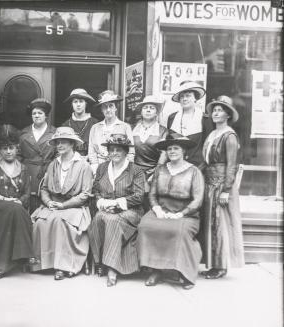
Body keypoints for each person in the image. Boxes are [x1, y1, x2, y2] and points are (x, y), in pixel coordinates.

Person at [137, 134, 205, 290]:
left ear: (184, 151)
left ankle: (184, 271)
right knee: (145, 227)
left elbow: (198, 200)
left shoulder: (194, 171)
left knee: (177, 231)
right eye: (169, 149)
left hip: (186, 213)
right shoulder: (160, 169)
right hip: (161, 209)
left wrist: (180, 214)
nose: (172, 151)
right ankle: (156, 270)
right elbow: (152, 194)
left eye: (176, 148)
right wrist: (157, 209)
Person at [31, 127, 93, 280]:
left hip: (74, 206)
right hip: (53, 204)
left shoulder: (83, 165)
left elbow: (85, 193)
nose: (59, 146)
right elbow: (44, 188)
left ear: (72, 144)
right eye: (57, 143)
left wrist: (64, 206)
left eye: (63, 142)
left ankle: (63, 266)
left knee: (60, 222)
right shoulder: (53, 164)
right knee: (39, 222)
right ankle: (42, 263)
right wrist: (48, 201)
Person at [88, 132, 145, 287]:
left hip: (131, 212)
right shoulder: (102, 168)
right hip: (106, 208)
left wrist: (118, 203)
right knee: (99, 218)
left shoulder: (136, 170)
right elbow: (96, 190)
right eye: (112, 149)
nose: (114, 153)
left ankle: (112, 268)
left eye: (118, 150)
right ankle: (100, 261)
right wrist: (102, 202)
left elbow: (139, 196)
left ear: (126, 152)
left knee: (112, 220)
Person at [0, 125, 37, 278]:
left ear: (17, 148)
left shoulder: (23, 168)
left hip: (15, 207)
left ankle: (10, 262)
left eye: (11, 148)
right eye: (5, 148)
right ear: (0, 150)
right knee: (14, 209)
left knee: (15, 209)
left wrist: (19, 201)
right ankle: (2, 263)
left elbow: (26, 192)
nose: (8, 151)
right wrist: (2, 198)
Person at [201, 96, 244, 279]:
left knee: (221, 225)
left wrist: (226, 189)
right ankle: (212, 263)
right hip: (209, 182)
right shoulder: (212, 134)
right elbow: (206, 161)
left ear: (227, 114)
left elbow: (232, 165)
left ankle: (222, 266)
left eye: (220, 110)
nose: (216, 113)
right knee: (211, 224)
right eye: (214, 110)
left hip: (221, 184)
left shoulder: (229, 135)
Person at [19, 98, 57, 212]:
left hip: (47, 171)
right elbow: (18, 155)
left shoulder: (55, 132)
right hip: (27, 171)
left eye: (40, 113)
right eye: (34, 113)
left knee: (44, 201)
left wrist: (51, 170)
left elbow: (58, 154)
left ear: (46, 116)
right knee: (27, 201)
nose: (36, 116)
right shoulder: (24, 133)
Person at [166, 81, 213, 167]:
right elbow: (169, 144)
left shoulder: (205, 119)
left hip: (197, 166)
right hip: (175, 165)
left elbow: (208, 146)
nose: (184, 99)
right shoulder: (172, 118)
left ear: (195, 98)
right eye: (182, 96)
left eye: (188, 96)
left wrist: (202, 166)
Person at [88, 90, 134, 175]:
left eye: (111, 106)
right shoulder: (95, 128)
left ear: (115, 108)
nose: (108, 109)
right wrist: (95, 168)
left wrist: (124, 169)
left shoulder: (125, 127)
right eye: (105, 107)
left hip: (119, 167)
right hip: (99, 167)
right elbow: (92, 152)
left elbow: (131, 152)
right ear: (101, 109)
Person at [133, 95, 168, 180]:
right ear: (141, 112)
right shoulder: (133, 129)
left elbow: (164, 154)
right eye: (145, 108)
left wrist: (156, 173)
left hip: (154, 174)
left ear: (156, 112)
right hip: (133, 173)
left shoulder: (163, 131)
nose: (148, 110)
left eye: (152, 108)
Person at [62, 88, 98, 157]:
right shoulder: (66, 125)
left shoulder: (95, 123)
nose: (78, 104)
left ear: (86, 103)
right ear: (72, 104)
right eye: (75, 102)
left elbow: (98, 147)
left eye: (81, 101)